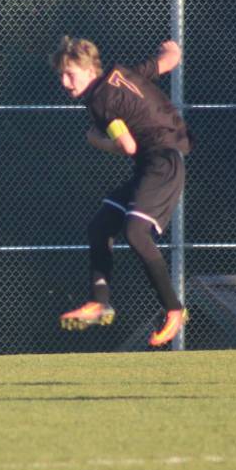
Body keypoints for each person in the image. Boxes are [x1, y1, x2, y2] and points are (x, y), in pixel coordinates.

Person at [52, 36, 191, 347]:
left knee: (136, 232)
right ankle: (99, 302)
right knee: (101, 227)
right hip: (153, 164)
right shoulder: (122, 75)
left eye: (70, 73)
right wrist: (171, 50)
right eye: (60, 74)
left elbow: (127, 146)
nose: (64, 81)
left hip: (161, 165)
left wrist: (95, 140)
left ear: (89, 70)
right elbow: (168, 61)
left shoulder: (100, 102)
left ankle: (173, 309)